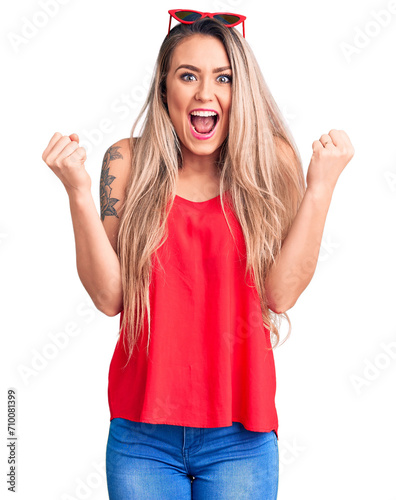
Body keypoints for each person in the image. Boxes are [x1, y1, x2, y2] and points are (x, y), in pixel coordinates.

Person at [41, 9, 354, 500]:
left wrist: (321, 188)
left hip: (241, 438)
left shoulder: (271, 161)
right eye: (188, 76)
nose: (205, 94)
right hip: (142, 436)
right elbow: (108, 298)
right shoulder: (127, 162)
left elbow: (280, 293)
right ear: (165, 90)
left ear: (240, 90)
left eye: (223, 78)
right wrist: (79, 193)